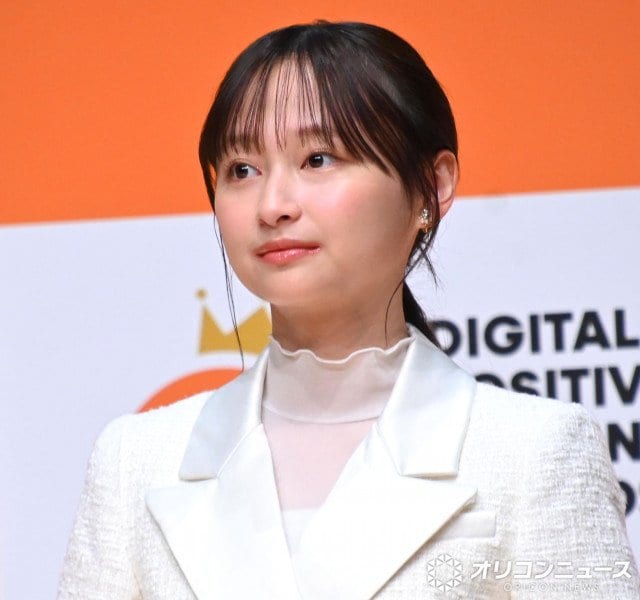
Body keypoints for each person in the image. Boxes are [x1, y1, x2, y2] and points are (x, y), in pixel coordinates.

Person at [58, 21, 639, 599]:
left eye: (318, 159)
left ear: (432, 187)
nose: (273, 205)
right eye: (242, 170)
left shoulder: (534, 452)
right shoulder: (135, 461)